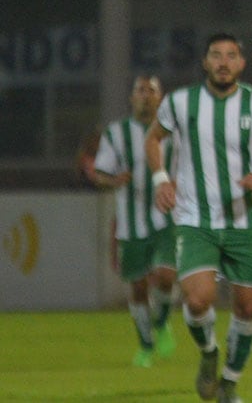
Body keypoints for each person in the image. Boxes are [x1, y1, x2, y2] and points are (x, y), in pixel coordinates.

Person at [145, 33, 252, 403]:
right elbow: (153, 139)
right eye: (216, 55)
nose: (224, 62)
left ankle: (230, 382)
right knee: (198, 300)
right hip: (195, 219)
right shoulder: (180, 102)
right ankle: (210, 352)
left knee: (246, 306)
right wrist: (161, 179)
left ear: (242, 64)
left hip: (244, 222)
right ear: (205, 62)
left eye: (231, 55)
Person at [92, 74, 178, 368]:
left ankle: (163, 321)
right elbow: (99, 173)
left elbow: (189, 166)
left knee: (166, 276)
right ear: (132, 98)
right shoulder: (116, 134)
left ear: (160, 97)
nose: (145, 95)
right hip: (131, 221)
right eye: (140, 90)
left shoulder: (174, 132)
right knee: (139, 287)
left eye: (151, 90)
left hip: (167, 215)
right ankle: (145, 344)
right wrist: (113, 179)